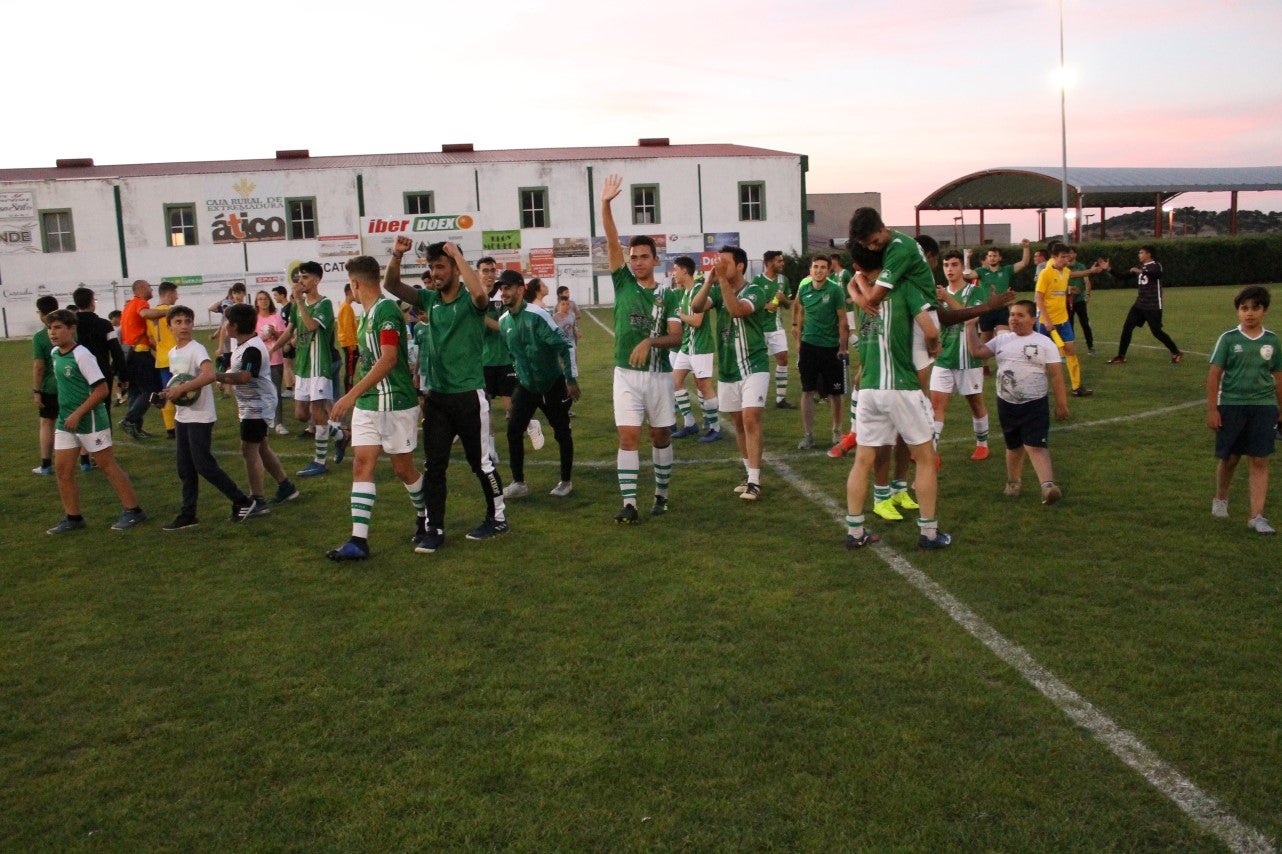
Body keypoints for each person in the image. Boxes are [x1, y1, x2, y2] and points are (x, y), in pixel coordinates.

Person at [383, 236, 508, 549]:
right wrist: (397, 256)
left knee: (480, 463)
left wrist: (457, 255)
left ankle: (498, 517)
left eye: (440, 266)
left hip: (469, 396)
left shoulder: (471, 299)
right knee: (434, 466)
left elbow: (480, 294)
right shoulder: (429, 299)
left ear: (455, 268)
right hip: (436, 397)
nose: (434, 272)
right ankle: (434, 529)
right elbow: (392, 285)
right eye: (430, 266)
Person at [844, 223, 948, 550]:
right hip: (900, 386)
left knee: (863, 459)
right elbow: (929, 329)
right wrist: (934, 345)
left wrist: (857, 281)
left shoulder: (859, 296)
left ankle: (855, 531)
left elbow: (854, 284)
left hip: (870, 388)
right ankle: (929, 533)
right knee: (926, 458)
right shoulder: (904, 288)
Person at [324, 255, 427, 560]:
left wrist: (349, 395)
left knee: (403, 469)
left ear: (355, 283)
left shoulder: (385, 311)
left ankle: (425, 514)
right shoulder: (366, 315)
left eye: (350, 285)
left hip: (395, 402)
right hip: (370, 404)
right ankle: (359, 540)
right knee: (361, 465)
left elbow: (388, 359)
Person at [601, 174, 683, 522]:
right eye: (632, 256)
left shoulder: (669, 294)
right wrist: (605, 205)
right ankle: (630, 503)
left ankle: (661, 495)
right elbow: (611, 241)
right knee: (629, 437)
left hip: (659, 376)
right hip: (626, 376)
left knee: (660, 436)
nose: (636, 261)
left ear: (655, 260)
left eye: (643, 256)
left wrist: (651, 340)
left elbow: (677, 338)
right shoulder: (622, 283)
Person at [42, 310, 147, 534]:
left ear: (71, 330)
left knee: (106, 464)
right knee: (62, 470)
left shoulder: (82, 355)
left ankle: (134, 511)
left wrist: (78, 414)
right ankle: (73, 517)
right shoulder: (55, 353)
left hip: (89, 419)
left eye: (58, 327)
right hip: (66, 420)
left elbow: (102, 390)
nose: (53, 332)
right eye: (50, 328)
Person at [158, 304, 262, 529]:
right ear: (169, 327)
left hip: (201, 415)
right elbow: (178, 381)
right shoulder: (173, 352)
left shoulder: (197, 349)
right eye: (178, 322)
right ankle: (188, 514)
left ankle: (242, 500)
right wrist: (166, 395)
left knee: (203, 464)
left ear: (193, 324)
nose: (184, 326)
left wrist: (182, 390)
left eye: (187, 321)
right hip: (182, 415)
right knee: (185, 468)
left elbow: (207, 375)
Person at [964, 300, 1070, 504]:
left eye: (1020, 315)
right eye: (1012, 314)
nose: (1014, 319)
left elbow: (1056, 375)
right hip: (1007, 403)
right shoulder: (1002, 340)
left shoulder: (1044, 343)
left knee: (1036, 445)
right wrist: (970, 327)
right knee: (1013, 446)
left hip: (1035, 403)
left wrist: (1061, 403)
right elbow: (978, 353)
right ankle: (1013, 482)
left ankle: (1048, 486)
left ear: (1033, 319)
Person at [690, 246, 771, 499]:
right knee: (738, 423)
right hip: (728, 369)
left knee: (750, 419)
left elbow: (737, 310)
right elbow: (696, 306)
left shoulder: (756, 290)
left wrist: (722, 280)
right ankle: (749, 475)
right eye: (718, 262)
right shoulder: (717, 287)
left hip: (754, 365)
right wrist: (710, 280)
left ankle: (755, 481)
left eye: (725, 262)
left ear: (740, 266)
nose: (720, 265)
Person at [1206, 285, 1282, 534]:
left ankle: (1257, 516)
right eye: (1244, 308)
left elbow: (1278, 377)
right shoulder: (1228, 339)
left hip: (1263, 407)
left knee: (1259, 459)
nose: (1249, 313)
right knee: (1230, 458)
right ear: (1238, 312)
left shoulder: (1272, 340)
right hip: (1231, 405)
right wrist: (1212, 410)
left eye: (1255, 308)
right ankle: (1221, 498)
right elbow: (1214, 375)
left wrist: (1281, 408)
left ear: (1264, 311)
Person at [498, 270, 579, 499]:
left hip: (552, 383)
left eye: (508, 287)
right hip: (526, 386)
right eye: (501, 288)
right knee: (514, 430)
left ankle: (565, 481)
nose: (503, 293)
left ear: (521, 289)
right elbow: (513, 354)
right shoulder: (504, 322)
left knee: (562, 431)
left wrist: (570, 380)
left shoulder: (538, 315)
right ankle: (518, 483)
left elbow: (564, 345)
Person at [216, 303, 299, 514]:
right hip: (250, 405)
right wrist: (224, 373)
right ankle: (286, 486)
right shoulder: (244, 345)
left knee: (249, 449)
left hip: (257, 406)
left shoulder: (252, 348)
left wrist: (217, 377)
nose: (225, 326)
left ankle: (258, 499)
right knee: (261, 446)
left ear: (234, 326)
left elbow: (245, 376)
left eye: (227, 322)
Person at [271, 261, 348, 476]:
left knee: (316, 411)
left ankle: (320, 461)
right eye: (299, 278)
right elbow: (290, 331)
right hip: (302, 366)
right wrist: (273, 349)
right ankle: (341, 435)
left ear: (316, 280)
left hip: (319, 366)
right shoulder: (297, 305)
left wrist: (298, 301)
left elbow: (312, 325)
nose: (300, 282)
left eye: (304, 278)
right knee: (301, 414)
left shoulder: (324, 304)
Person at [480, 256, 543, 462]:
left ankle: (530, 423)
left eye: (492, 270)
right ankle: (491, 449)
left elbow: (503, 327)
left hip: (506, 358)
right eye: (485, 270)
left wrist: (481, 318)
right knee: (485, 408)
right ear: (478, 273)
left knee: (512, 407)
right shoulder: (474, 296)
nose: (489, 274)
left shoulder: (502, 296)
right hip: (482, 361)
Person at [931, 250, 992, 461]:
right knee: (936, 404)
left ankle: (982, 443)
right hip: (944, 357)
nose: (950, 269)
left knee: (975, 402)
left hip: (968, 356)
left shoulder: (975, 291)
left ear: (961, 268)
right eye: (946, 265)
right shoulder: (937, 295)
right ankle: (931, 450)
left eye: (954, 265)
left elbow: (970, 319)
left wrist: (947, 297)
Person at [1034, 243, 1108, 397]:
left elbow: (1075, 274)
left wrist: (1092, 271)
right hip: (1046, 323)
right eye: (1062, 257)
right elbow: (1038, 299)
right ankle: (1035, 385)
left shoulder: (1065, 271)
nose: (1066, 260)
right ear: (1054, 257)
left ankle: (1076, 386)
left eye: (1067, 257)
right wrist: (1047, 321)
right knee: (1041, 357)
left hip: (1063, 321)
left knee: (1071, 351)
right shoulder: (1045, 273)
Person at [792, 254, 849, 450]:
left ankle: (836, 431)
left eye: (823, 267)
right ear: (810, 269)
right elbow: (799, 312)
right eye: (815, 267)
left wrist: (843, 347)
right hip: (809, 346)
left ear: (828, 270)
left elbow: (843, 320)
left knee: (835, 392)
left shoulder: (835, 290)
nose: (818, 270)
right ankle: (808, 435)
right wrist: (799, 340)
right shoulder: (804, 288)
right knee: (807, 391)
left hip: (831, 347)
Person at [72, 288, 128, 467]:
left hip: (77, 375)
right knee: (103, 413)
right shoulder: (104, 324)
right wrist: (123, 374)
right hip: (101, 375)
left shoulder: (72, 325)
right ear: (91, 302)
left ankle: (84, 458)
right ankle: (102, 456)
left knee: (80, 412)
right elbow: (116, 351)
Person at [669, 255, 721, 442]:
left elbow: (697, 321)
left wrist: (679, 316)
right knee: (675, 381)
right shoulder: (684, 293)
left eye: (675, 269)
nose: (673, 273)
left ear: (684, 270)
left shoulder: (699, 289)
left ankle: (715, 427)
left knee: (703, 385)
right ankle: (690, 424)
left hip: (701, 346)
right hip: (687, 346)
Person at [1107, 245, 1183, 365]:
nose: (1139, 255)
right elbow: (1123, 276)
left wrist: (1141, 271)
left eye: (1141, 252)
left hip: (1153, 305)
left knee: (1156, 331)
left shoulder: (1156, 265)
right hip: (1139, 305)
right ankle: (1121, 356)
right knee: (1127, 328)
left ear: (1149, 254)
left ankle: (1176, 352)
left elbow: (1156, 274)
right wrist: (1109, 269)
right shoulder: (1140, 267)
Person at [755, 250, 794, 409]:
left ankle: (780, 399)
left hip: (776, 326)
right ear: (769, 263)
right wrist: (765, 305)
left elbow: (789, 304)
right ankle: (757, 398)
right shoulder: (757, 281)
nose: (782, 263)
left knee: (783, 358)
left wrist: (783, 298)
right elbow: (750, 303)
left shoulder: (783, 280)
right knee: (759, 364)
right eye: (779, 261)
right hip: (758, 328)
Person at [119, 279, 158, 439]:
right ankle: (129, 420)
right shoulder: (140, 303)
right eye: (149, 286)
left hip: (129, 354)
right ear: (141, 288)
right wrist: (168, 311)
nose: (151, 290)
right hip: (140, 353)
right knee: (152, 388)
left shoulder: (128, 306)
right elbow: (145, 314)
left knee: (135, 391)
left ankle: (135, 426)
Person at [142, 282, 179, 438]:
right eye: (176, 294)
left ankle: (170, 429)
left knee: (167, 393)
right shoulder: (173, 312)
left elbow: (150, 339)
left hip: (162, 359)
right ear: (169, 294)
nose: (177, 297)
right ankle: (186, 423)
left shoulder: (151, 315)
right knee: (184, 391)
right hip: (178, 359)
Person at [975, 240, 1032, 341]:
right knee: (985, 344)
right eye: (990, 256)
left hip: (1002, 309)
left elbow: (1023, 263)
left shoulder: (1006, 270)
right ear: (987, 258)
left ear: (1000, 258)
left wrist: (1026, 248)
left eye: (995, 256)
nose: (992, 258)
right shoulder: (981, 271)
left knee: (1004, 339)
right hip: (986, 309)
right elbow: (967, 275)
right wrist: (966, 258)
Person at [254, 289, 290, 435]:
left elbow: (284, 336)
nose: (263, 301)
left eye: (265, 298)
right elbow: (250, 338)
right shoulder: (254, 319)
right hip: (259, 361)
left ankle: (279, 423)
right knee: (260, 393)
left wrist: (273, 333)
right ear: (256, 303)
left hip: (275, 360)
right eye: (260, 299)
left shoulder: (276, 317)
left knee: (275, 393)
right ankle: (263, 422)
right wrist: (262, 337)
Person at [32, 295, 61, 475]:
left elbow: (39, 366)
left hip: (50, 387)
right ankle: (85, 462)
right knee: (77, 423)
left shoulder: (41, 336)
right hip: (70, 385)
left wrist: (36, 391)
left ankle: (46, 465)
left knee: (47, 423)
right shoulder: (69, 329)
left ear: (42, 314)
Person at [1065, 246, 1096, 355]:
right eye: (1067, 253)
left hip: (1079, 301)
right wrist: (1069, 290)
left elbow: (1086, 281)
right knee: (1069, 324)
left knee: (1085, 323)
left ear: (1075, 254)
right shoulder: (1064, 267)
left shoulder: (1080, 266)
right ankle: (1070, 348)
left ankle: (1091, 347)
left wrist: (1087, 294)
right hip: (1067, 301)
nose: (1069, 255)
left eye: (1071, 253)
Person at [272, 285, 295, 397]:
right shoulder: (283, 308)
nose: (275, 297)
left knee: (287, 364)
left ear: (282, 295)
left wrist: (288, 342)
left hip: (289, 341)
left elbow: (292, 327)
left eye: (276, 295)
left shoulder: (289, 308)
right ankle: (293, 387)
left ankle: (290, 389)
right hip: (288, 340)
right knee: (288, 364)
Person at [337, 282, 359, 396]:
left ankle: (349, 391)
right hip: (349, 344)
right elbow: (347, 328)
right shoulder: (346, 307)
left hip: (349, 343)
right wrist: (352, 345)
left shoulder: (346, 306)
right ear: (350, 292)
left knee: (351, 370)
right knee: (350, 370)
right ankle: (348, 393)